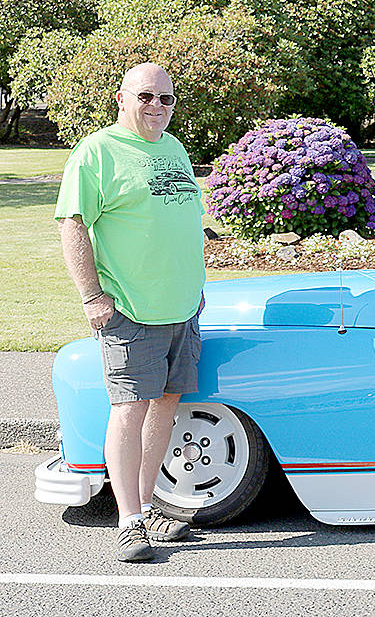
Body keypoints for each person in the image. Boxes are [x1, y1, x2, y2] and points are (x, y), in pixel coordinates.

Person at [55, 63, 206, 561]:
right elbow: (73, 224)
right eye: (145, 96)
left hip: (182, 309)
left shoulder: (174, 148)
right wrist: (92, 296)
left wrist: (195, 287)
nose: (157, 106)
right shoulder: (96, 152)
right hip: (131, 310)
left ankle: (145, 506)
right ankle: (127, 522)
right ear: (122, 99)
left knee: (165, 405)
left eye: (166, 98)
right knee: (129, 409)